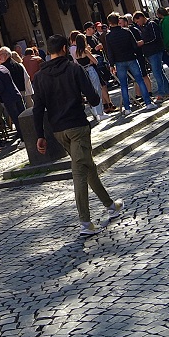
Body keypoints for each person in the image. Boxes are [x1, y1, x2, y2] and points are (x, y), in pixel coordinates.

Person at [32, 34, 123, 238]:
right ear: (65, 49)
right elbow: (93, 98)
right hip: (77, 125)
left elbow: (37, 108)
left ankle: (111, 206)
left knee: (88, 167)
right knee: (80, 172)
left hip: (58, 130)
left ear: (49, 51)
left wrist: (40, 135)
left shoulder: (39, 77)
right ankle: (85, 223)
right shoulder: (74, 69)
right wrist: (82, 98)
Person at [104, 13, 158, 115]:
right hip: (131, 58)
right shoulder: (126, 31)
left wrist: (111, 64)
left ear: (110, 23)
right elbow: (134, 45)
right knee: (140, 80)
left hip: (119, 61)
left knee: (123, 85)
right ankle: (148, 103)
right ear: (118, 21)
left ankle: (127, 108)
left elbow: (109, 52)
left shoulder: (108, 36)